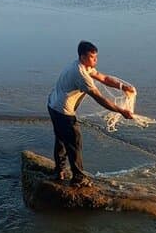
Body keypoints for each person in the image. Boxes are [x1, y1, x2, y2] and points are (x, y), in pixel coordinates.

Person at [47, 40, 135, 187]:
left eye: (96, 57)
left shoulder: (83, 66)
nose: (96, 60)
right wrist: (121, 111)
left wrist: (123, 86)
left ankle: (59, 171)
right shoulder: (80, 74)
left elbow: (104, 78)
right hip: (62, 111)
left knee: (61, 139)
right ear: (82, 57)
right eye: (92, 57)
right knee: (74, 142)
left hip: (52, 103)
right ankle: (78, 178)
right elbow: (99, 98)